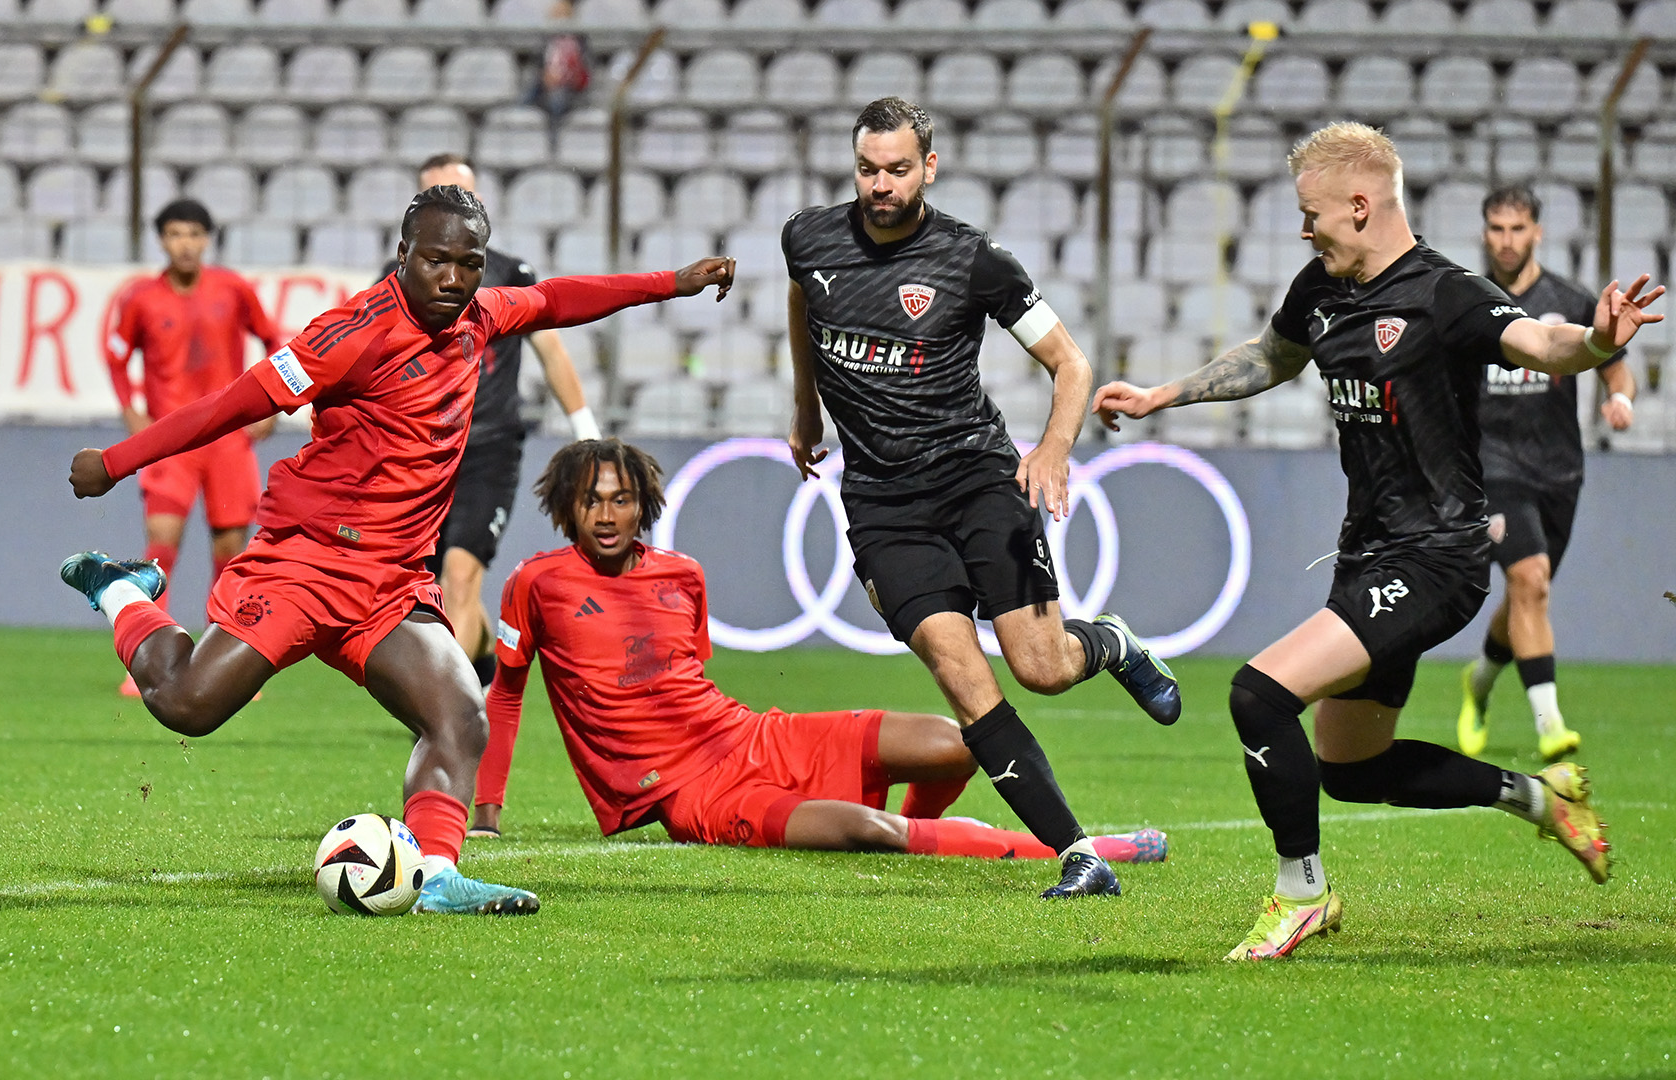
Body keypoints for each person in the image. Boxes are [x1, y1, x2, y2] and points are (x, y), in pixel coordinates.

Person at [60, 183, 735, 915]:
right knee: (187, 704)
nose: (453, 279)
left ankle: (438, 876)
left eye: (470, 264)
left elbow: (559, 299)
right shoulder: (347, 334)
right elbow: (231, 404)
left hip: (389, 583)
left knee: (459, 715)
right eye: (437, 260)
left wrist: (672, 283)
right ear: (402, 254)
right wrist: (120, 460)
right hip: (308, 562)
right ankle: (123, 591)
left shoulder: (479, 316)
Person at [1092, 122, 1659, 959]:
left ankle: (1300, 895)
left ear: (1359, 206)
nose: (1302, 228)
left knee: (1258, 694)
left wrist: (1603, 339)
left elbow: (1542, 342)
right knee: (1353, 768)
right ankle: (1542, 801)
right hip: (1367, 551)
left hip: (1438, 557)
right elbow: (1273, 356)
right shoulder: (1320, 287)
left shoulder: (1445, 294)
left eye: (1310, 212)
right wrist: (1161, 397)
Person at [782, 97, 1182, 899]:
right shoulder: (809, 238)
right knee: (965, 680)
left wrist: (1054, 450)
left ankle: (1106, 643)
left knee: (1039, 667)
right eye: (867, 169)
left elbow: (1070, 364)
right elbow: (805, 302)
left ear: (929, 166)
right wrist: (804, 408)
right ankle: (1078, 853)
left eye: (897, 170)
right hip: (885, 506)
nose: (880, 186)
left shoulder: (975, 260)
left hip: (976, 481)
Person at [474, 438, 1170, 865]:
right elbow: (506, 694)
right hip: (695, 797)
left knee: (966, 744)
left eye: (621, 499)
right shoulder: (535, 584)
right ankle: (1080, 847)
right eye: (591, 501)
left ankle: (929, 836)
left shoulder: (681, 574)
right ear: (566, 507)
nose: (605, 514)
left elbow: (687, 683)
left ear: (642, 504)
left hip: (756, 737)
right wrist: (486, 812)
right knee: (868, 831)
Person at [382, 154, 602, 696]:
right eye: (436, 194)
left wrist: (587, 432)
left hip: (488, 448)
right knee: (426, 594)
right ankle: (479, 675)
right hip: (420, 452)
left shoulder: (508, 273)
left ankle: (448, 715)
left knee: (460, 578)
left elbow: (550, 349)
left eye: (460, 193)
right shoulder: (392, 284)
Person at [1455, 186, 1641, 762]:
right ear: (1484, 232)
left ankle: (1478, 683)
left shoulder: (1571, 300)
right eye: (1495, 228)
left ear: (1537, 231)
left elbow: (1614, 368)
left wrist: (1622, 402)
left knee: (1526, 595)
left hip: (1560, 473)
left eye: (1517, 228)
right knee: (1531, 580)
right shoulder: (1465, 300)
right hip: (1492, 471)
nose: (1505, 240)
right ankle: (1550, 725)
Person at [104, 199, 283, 697]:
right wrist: (130, 410)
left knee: (230, 551)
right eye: (175, 234)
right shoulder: (141, 298)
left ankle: (225, 663)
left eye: (194, 234)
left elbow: (275, 343)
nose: (185, 243)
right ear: (161, 240)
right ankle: (146, 659)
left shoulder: (233, 289)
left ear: (207, 240)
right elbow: (117, 358)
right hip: (171, 440)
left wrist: (270, 407)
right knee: (162, 542)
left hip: (227, 440)